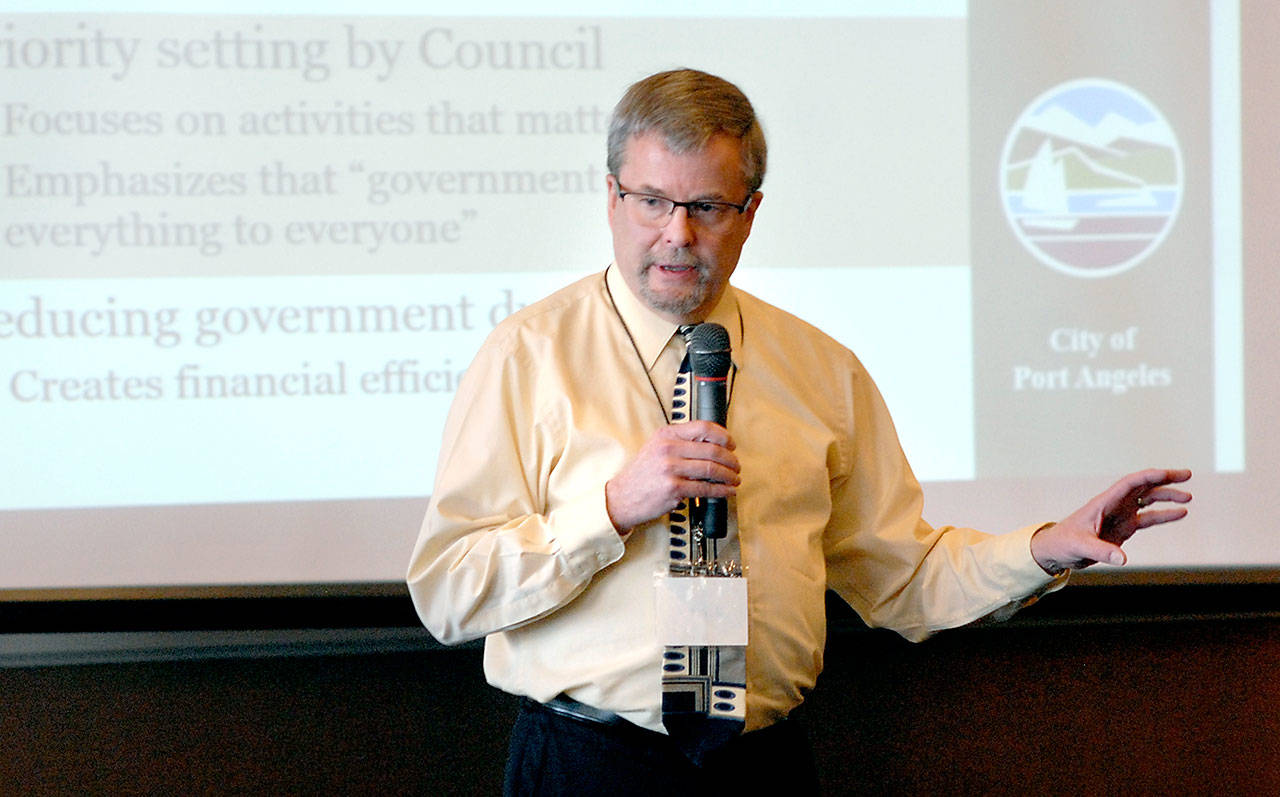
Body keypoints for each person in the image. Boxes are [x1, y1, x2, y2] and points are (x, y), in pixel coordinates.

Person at [406, 68, 1191, 794]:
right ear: (610, 197)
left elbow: (904, 575)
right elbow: (448, 590)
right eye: (652, 201)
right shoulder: (528, 356)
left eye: (707, 207)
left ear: (750, 212)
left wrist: (1043, 547)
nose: (677, 234)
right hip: (586, 764)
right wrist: (609, 509)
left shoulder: (821, 369)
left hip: (763, 766)